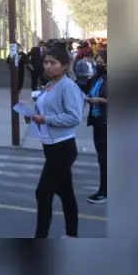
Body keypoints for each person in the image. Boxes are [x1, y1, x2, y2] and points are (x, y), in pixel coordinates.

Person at [28, 45, 86, 238]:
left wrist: (46, 119)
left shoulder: (67, 86)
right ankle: (72, 234)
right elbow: (48, 109)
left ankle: (41, 236)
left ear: (65, 65)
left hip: (63, 147)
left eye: (53, 63)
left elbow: (74, 117)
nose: (48, 66)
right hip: (50, 145)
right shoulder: (51, 83)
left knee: (43, 193)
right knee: (66, 193)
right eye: (46, 62)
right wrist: (34, 116)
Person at [85, 51, 107, 204]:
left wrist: (100, 100)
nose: (99, 65)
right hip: (97, 120)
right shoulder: (97, 78)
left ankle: (105, 191)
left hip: (107, 121)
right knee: (101, 157)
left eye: (102, 63)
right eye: (97, 62)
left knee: (106, 158)